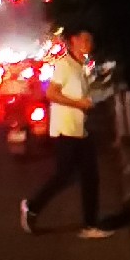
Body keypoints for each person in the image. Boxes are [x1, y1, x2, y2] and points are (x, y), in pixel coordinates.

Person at [21, 30, 112, 237]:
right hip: (66, 129)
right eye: (84, 40)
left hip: (81, 129)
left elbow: (86, 93)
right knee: (64, 176)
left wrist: (95, 97)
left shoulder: (82, 66)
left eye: (91, 40)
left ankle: (90, 225)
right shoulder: (64, 65)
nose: (88, 44)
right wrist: (78, 103)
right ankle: (32, 207)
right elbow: (51, 93)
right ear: (74, 41)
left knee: (90, 177)